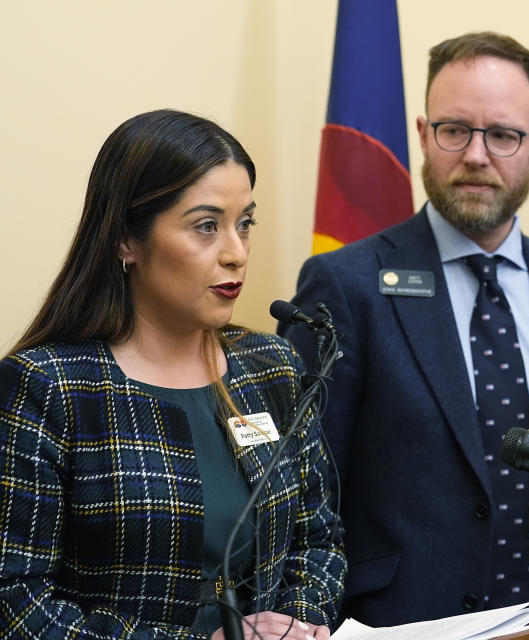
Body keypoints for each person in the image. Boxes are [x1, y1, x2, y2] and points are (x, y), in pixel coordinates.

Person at [280, 32, 529, 626]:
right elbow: (304, 488)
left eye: (502, 134)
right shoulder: (347, 285)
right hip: (399, 627)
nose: (476, 155)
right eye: (455, 130)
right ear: (423, 136)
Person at [0, 110, 345, 639]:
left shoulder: (272, 367)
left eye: (244, 223)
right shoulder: (50, 387)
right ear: (126, 241)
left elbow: (319, 539)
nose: (236, 253)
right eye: (206, 226)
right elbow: (17, 600)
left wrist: (297, 621)